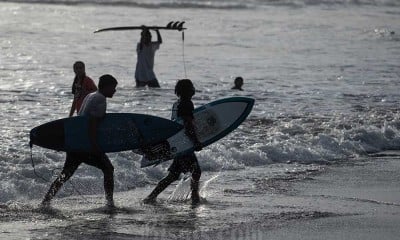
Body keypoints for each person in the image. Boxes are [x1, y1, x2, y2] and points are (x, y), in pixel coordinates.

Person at [41, 74, 118, 208]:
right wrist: (94, 145)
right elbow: (92, 124)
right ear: (106, 87)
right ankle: (110, 203)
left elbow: (81, 119)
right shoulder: (101, 99)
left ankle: (46, 201)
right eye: (113, 88)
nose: (115, 91)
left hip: (75, 143)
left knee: (65, 174)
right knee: (108, 169)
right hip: (86, 145)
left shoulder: (91, 95)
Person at [143, 79, 203, 205]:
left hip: (177, 143)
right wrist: (195, 142)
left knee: (173, 175)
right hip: (184, 143)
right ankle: (194, 197)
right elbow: (187, 125)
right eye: (191, 87)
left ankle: (151, 197)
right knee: (196, 171)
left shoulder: (177, 103)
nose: (193, 89)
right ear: (188, 90)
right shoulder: (187, 103)